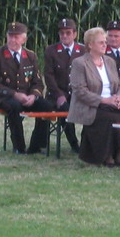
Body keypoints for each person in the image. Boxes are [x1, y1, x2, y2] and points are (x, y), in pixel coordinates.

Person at [67, 27, 120, 166]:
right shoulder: (79, 63)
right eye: (101, 42)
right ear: (90, 44)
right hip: (92, 105)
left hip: (112, 102)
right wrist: (104, 100)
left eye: (105, 42)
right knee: (109, 119)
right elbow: (80, 91)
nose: (105, 45)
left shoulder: (109, 61)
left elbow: (119, 85)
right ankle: (107, 155)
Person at [0, 22, 52, 154]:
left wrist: (33, 95)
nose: (12, 40)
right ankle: (19, 147)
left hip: (27, 97)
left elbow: (38, 82)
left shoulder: (30, 56)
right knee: (14, 106)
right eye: (10, 36)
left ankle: (36, 146)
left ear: (24, 39)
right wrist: (14, 94)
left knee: (46, 106)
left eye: (16, 37)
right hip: (5, 97)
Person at [43, 18, 84, 153]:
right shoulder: (51, 50)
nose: (64, 36)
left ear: (75, 34)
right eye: (62, 33)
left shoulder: (83, 50)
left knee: (94, 108)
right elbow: (49, 76)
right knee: (65, 109)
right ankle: (74, 144)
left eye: (68, 33)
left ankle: (87, 143)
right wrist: (59, 95)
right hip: (57, 93)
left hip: (78, 93)